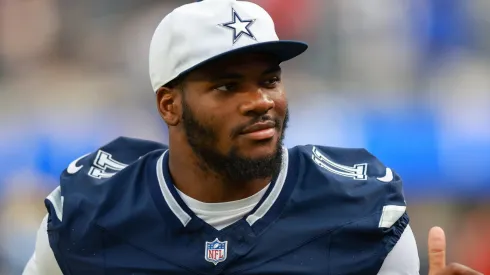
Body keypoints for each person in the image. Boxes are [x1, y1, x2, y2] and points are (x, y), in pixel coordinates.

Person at [23, 0, 482, 274]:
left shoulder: (359, 209)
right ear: (169, 104)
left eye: (269, 79)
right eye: (227, 85)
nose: (260, 100)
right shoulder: (90, 210)